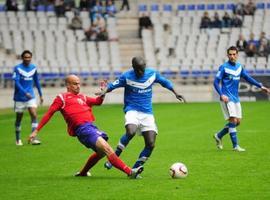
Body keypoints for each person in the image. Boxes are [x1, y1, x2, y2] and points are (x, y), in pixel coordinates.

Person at [28, 75, 143, 178]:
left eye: (79, 83)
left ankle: (83, 172)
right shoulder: (61, 98)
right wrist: (36, 131)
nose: (78, 86)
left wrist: (103, 92)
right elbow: (49, 113)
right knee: (107, 148)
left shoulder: (82, 97)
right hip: (82, 129)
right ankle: (130, 172)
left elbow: (98, 102)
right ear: (68, 85)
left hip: (91, 127)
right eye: (75, 84)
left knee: (101, 152)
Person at [97, 57, 185, 177]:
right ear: (133, 68)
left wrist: (176, 92)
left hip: (147, 113)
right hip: (132, 110)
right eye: (138, 70)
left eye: (142, 69)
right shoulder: (126, 76)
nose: (141, 72)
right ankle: (115, 156)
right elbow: (113, 85)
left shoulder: (152, 74)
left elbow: (165, 82)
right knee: (131, 131)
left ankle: (134, 169)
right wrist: (104, 91)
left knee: (151, 144)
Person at [213, 46, 270, 152]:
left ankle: (218, 135)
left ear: (237, 55)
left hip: (235, 98)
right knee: (233, 120)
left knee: (237, 122)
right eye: (230, 54)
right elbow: (215, 82)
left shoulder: (239, 67)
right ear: (227, 55)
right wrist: (221, 94)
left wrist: (261, 87)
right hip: (226, 98)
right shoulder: (223, 67)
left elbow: (248, 78)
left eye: (234, 54)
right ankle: (236, 146)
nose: (232, 56)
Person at [13, 50, 43, 146]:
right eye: (25, 57)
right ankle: (18, 139)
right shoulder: (17, 68)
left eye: (29, 57)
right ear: (22, 58)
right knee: (19, 118)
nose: (27, 59)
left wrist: (41, 94)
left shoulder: (33, 68)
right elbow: (16, 82)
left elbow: (37, 82)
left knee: (34, 115)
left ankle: (33, 138)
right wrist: (25, 93)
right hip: (19, 98)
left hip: (31, 96)